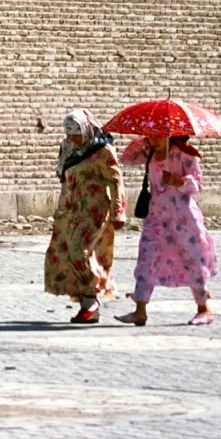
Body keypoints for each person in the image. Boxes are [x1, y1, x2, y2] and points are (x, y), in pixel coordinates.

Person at [116, 134, 218, 326]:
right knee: (146, 260)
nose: (156, 140)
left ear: (170, 134)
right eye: (152, 136)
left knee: (193, 261)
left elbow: (198, 185)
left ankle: (203, 309)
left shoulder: (184, 155)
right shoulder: (149, 153)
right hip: (156, 218)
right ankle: (140, 311)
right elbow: (126, 158)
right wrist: (142, 142)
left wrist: (179, 182)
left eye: (160, 136)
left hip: (183, 219)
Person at [43, 109, 125, 323]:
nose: (73, 138)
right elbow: (64, 180)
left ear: (86, 130)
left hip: (95, 208)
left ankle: (91, 299)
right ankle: (87, 304)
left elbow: (115, 181)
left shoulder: (102, 149)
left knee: (80, 249)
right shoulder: (68, 148)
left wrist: (118, 211)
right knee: (66, 252)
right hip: (72, 208)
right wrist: (61, 209)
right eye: (69, 134)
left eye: (76, 134)